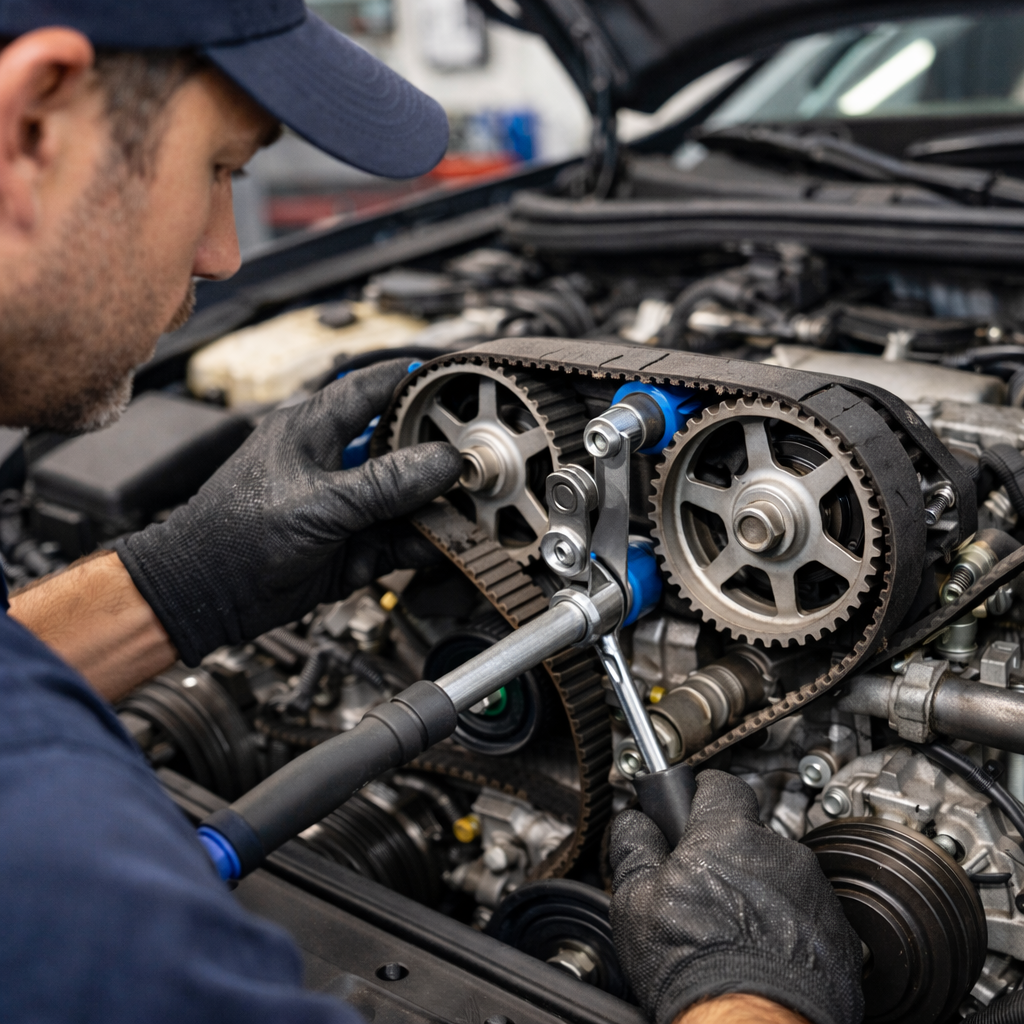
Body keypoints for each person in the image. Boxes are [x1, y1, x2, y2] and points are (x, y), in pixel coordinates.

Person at [0, 2, 864, 1021]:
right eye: (221, 168)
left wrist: (174, 587)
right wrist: (759, 997)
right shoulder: (49, 857)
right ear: (32, 121)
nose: (225, 253)